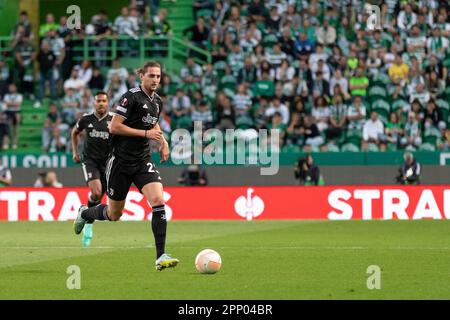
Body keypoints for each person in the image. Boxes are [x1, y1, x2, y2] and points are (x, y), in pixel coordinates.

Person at [73, 61, 179, 271]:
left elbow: (153, 122)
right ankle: (85, 212)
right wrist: (146, 134)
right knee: (114, 215)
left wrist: (163, 142)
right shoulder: (130, 97)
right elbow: (114, 126)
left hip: (142, 160)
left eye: (158, 76)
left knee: (158, 200)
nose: (155, 80)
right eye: (151, 76)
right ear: (142, 76)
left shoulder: (157, 101)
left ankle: (160, 256)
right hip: (120, 162)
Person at [71, 91, 112, 247]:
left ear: (108, 103)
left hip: (108, 163)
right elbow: (74, 133)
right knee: (96, 192)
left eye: (104, 100)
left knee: (98, 197)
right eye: (98, 101)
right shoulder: (86, 119)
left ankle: (86, 217)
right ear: (94, 103)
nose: (101, 103)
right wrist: (75, 152)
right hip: (90, 161)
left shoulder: (114, 120)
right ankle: (88, 225)